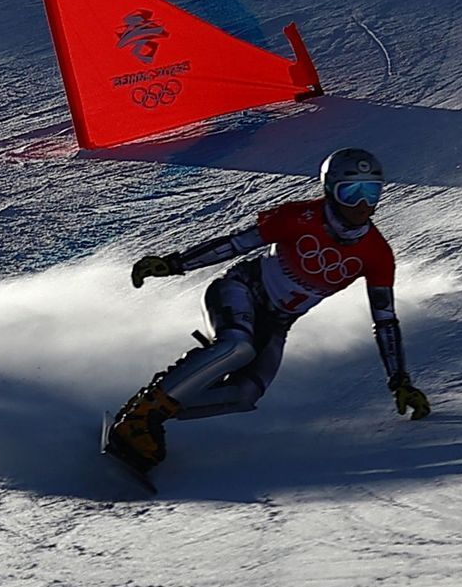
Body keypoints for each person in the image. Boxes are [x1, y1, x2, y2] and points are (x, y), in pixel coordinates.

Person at [104, 148, 431, 475]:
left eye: (371, 192)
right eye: (351, 192)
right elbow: (235, 244)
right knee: (237, 347)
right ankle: (142, 414)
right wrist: (175, 264)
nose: (362, 205)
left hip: (275, 325)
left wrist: (399, 380)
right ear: (331, 190)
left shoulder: (377, 253)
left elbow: (385, 320)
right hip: (241, 290)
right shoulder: (298, 217)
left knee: (246, 394)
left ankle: (151, 410)